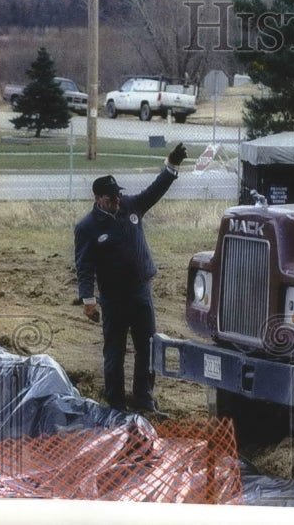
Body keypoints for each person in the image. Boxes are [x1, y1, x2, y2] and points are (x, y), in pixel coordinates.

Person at [74, 142, 187, 418]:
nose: (116, 201)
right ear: (98, 198)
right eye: (110, 198)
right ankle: (115, 403)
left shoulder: (131, 206)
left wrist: (171, 166)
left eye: (117, 196)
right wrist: (89, 300)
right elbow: (84, 266)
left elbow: (155, 190)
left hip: (140, 292)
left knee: (146, 347)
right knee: (114, 351)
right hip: (113, 298)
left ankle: (143, 397)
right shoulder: (87, 227)